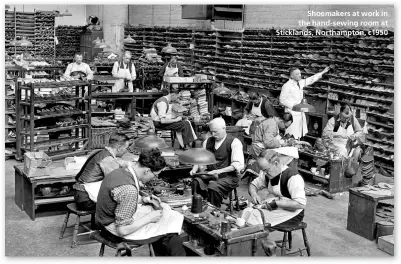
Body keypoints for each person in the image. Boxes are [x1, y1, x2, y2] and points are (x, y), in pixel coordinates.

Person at [96, 149, 186, 256]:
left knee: (164, 210)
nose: (155, 178)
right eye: (155, 175)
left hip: (103, 220)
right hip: (112, 231)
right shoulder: (129, 189)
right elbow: (122, 230)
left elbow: (118, 199)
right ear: (147, 171)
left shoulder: (120, 172)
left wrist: (143, 199)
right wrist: (149, 218)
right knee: (170, 231)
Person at [241, 148, 306, 227]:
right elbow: (253, 185)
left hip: (293, 213)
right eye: (262, 170)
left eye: (266, 170)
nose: (264, 173)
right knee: (247, 211)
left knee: (255, 215)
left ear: (275, 163)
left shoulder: (293, 177)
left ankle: (254, 238)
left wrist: (275, 204)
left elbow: (300, 204)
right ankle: (241, 236)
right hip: (277, 206)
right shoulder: (267, 174)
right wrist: (254, 194)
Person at [190, 118, 245, 208]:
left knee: (213, 186)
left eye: (216, 132)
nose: (213, 134)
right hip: (211, 174)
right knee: (196, 182)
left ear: (224, 128)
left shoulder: (234, 143)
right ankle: (199, 206)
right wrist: (194, 168)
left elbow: (236, 165)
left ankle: (214, 210)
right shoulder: (207, 142)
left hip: (229, 176)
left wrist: (219, 171)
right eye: (211, 132)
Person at [73, 132, 131, 211]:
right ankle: (106, 223)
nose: (126, 151)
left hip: (79, 194)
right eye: (126, 148)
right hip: (86, 200)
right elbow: (114, 182)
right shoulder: (108, 160)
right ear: (119, 147)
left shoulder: (101, 152)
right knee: (123, 203)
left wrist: (126, 164)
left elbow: (117, 162)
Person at [279, 67, 330, 139]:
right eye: (297, 74)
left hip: (299, 111)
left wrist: (322, 72)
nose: (300, 75)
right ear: (291, 76)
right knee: (291, 133)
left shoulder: (300, 83)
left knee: (299, 133)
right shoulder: (287, 86)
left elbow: (310, 79)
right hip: (291, 112)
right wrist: (293, 106)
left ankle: (297, 144)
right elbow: (282, 100)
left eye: (300, 73)